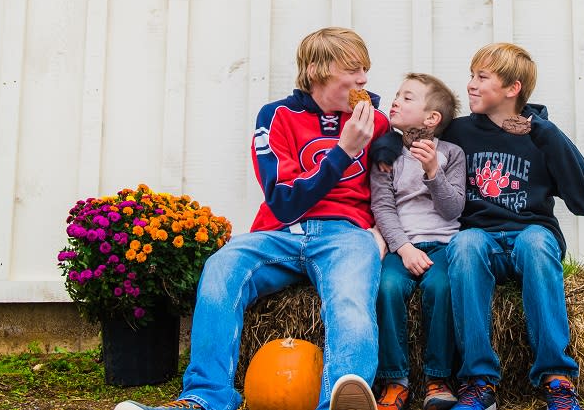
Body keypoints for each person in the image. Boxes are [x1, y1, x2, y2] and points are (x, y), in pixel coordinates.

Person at [116, 27, 390, 410]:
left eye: (365, 69)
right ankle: (204, 397)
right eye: (353, 69)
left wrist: (385, 231)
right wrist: (343, 152)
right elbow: (282, 201)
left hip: (345, 233)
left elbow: (396, 182)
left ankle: (338, 403)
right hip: (280, 232)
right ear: (316, 70)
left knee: (349, 297)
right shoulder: (276, 115)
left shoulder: (376, 122)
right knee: (221, 266)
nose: (363, 79)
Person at [444, 43, 584, 410]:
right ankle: (478, 381)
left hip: (530, 236)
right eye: (471, 75)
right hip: (481, 240)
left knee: (535, 241)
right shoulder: (458, 133)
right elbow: (412, 140)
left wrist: (545, 134)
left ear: (512, 88)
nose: (470, 84)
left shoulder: (543, 135)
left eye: (482, 77)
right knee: (465, 244)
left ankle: (557, 378)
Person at [369, 74, 466, 410]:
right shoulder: (386, 153)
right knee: (386, 288)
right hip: (402, 245)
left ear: (431, 118)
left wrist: (432, 170)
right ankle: (395, 380)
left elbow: (453, 208)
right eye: (397, 94)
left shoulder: (452, 154)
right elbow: (382, 206)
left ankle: (438, 378)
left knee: (443, 288)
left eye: (407, 97)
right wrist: (403, 248)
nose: (395, 101)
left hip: (443, 245)